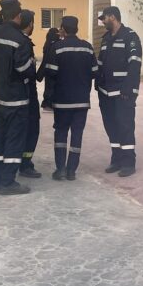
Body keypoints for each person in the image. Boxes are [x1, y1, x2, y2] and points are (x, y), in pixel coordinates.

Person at [0, 0, 34, 195]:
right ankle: (8, 183)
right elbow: (24, 70)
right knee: (14, 140)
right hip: (16, 99)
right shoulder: (20, 40)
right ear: (19, 15)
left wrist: (4, 14)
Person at [44, 15, 98, 181]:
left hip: (62, 102)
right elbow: (95, 72)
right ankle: (71, 171)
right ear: (76, 28)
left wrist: (48, 99)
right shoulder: (88, 48)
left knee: (60, 134)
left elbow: (50, 74)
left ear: (63, 29)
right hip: (81, 101)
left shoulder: (57, 48)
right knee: (77, 135)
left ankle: (60, 169)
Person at [96, 5, 142, 177]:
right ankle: (116, 159)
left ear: (113, 17)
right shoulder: (106, 38)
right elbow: (100, 63)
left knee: (125, 126)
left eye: (104, 19)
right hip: (106, 92)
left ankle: (128, 162)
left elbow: (135, 63)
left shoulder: (130, 37)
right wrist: (97, 83)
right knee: (111, 126)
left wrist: (129, 88)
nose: (102, 22)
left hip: (123, 92)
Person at [15, 10, 42, 179]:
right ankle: (25, 164)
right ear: (30, 24)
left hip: (15, 93)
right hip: (27, 93)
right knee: (31, 129)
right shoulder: (23, 42)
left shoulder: (12, 40)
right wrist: (32, 64)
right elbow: (25, 70)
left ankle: (17, 161)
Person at [37, 27, 61, 111]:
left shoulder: (47, 44)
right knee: (53, 87)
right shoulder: (57, 44)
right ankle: (50, 104)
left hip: (47, 69)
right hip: (54, 69)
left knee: (48, 87)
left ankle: (47, 104)